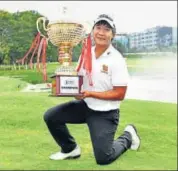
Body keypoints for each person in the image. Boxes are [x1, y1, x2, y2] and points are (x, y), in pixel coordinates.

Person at [44, 14, 141, 165]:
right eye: (98, 28)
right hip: (85, 106)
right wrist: (63, 86)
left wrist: (90, 93)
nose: (101, 33)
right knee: (51, 116)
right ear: (93, 30)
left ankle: (128, 135)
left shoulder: (116, 59)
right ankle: (70, 149)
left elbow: (120, 93)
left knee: (103, 158)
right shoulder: (86, 53)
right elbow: (79, 81)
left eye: (106, 29)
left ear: (112, 35)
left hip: (105, 113)